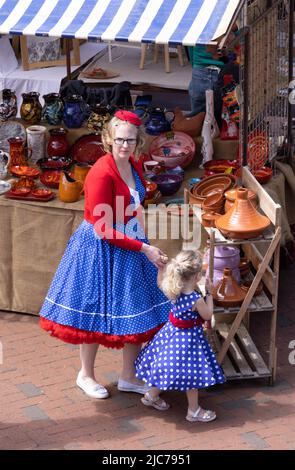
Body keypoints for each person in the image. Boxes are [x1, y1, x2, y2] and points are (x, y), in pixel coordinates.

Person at [39, 110, 170, 399]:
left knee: (137, 309)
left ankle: (128, 376)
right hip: (99, 247)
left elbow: (133, 206)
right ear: (109, 139)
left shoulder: (133, 164)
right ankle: (85, 375)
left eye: (131, 140)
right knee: (94, 310)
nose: (125, 145)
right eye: (120, 139)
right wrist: (144, 247)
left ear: (138, 142)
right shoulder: (101, 170)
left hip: (130, 241)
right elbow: (101, 227)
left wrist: (142, 238)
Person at [135, 250, 226, 422]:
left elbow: (160, 282)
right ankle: (194, 411)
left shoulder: (173, 289)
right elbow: (207, 315)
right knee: (192, 375)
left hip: (170, 335)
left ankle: (151, 395)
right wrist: (209, 295)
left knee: (166, 367)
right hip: (188, 341)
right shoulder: (195, 300)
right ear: (197, 276)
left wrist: (161, 269)